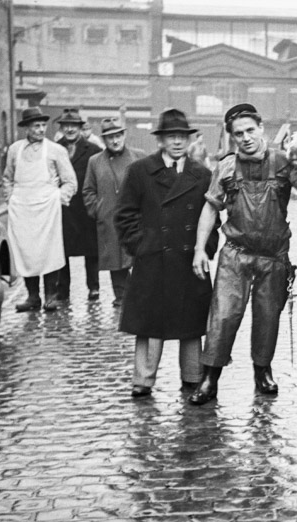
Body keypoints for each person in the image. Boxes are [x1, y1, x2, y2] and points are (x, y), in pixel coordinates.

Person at [188, 103, 297, 405]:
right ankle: (210, 379)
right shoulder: (225, 166)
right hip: (235, 255)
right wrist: (199, 249)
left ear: (262, 129)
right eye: (239, 134)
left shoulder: (284, 162)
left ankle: (262, 370)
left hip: (273, 258)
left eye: (251, 130)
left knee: (267, 318)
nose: (246, 137)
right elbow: (210, 208)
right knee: (223, 317)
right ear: (232, 138)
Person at [115, 108, 219, 398]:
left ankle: (192, 376)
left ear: (189, 140)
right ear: (160, 140)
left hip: (189, 261)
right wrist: (142, 246)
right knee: (150, 324)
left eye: (182, 137)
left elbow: (213, 218)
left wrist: (205, 250)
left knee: (191, 324)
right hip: (153, 259)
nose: (177, 142)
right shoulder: (140, 171)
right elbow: (124, 216)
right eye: (171, 137)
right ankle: (143, 379)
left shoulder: (202, 175)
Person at [3, 107, 77, 312]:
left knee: (49, 252)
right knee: (27, 252)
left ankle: (51, 296)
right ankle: (32, 297)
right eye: (36, 125)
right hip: (22, 209)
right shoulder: (15, 149)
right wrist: (12, 199)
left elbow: (70, 181)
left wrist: (57, 198)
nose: (41, 129)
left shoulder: (56, 150)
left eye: (44, 125)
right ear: (27, 127)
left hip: (47, 209)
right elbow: (7, 178)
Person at [82, 117, 145, 306]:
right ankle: (121, 296)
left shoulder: (138, 157)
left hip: (136, 218)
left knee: (139, 255)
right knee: (114, 258)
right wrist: (98, 209)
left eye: (118, 136)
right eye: (110, 138)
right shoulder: (95, 162)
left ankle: (142, 292)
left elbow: (151, 185)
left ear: (124, 135)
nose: (115, 141)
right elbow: (88, 190)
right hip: (109, 219)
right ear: (104, 140)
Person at [56, 108, 102, 302]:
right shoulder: (55, 149)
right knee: (61, 251)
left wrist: (96, 204)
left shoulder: (93, 150)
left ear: (80, 128)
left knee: (91, 250)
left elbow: (99, 179)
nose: (69, 129)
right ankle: (62, 290)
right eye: (66, 126)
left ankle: (93, 287)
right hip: (63, 208)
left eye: (73, 126)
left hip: (86, 209)